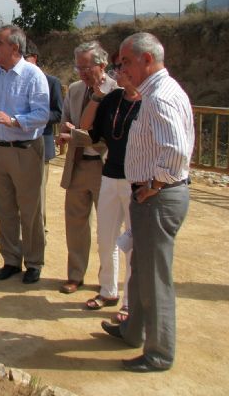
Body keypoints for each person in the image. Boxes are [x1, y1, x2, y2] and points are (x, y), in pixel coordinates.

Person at [101, 32, 194, 373]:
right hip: (153, 195)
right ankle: (132, 331)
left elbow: (176, 150)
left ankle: (158, 354)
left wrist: (153, 184)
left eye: (125, 61)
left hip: (158, 197)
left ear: (147, 60)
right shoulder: (156, 92)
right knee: (141, 270)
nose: (120, 66)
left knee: (155, 280)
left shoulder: (159, 98)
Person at [0, 25, 49, 284]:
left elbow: (42, 114)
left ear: (15, 48)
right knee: (4, 208)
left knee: (31, 211)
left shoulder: (33, 75)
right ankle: (11, 259)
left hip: (25, 152)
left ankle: (33, 262)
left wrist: (14, 121)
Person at [75, 51, 137, 321]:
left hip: (137, 178)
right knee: (106, 237)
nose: (118, 71)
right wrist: (97, 98)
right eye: (117, 67)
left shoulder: (148, 102)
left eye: (122, 67)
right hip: (110, 175)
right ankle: (108, 290)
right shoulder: (112, 98)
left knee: (133, 242)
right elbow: (87, 128)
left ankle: (130, 302)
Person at [58, 41, 117, 294]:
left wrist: (78, 134)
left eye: (86, 67)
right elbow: (65, 124)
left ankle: (107, 282)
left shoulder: (117, 91)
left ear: (102, 65)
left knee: (108, 228)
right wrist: (68, 132)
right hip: (77, 164)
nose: (82, 72)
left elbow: (107, 138)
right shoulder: (74, 89)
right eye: (78, 67)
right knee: (75, 224)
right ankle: (75, 275)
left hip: (105, 168)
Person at [24, 40, 63, 231]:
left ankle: (40, 231)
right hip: (17, 145)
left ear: (35, 58)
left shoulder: (51, 82)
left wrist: (32, 119)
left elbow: (59, 113)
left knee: (38, 193)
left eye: (25, 58)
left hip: (41, 144)